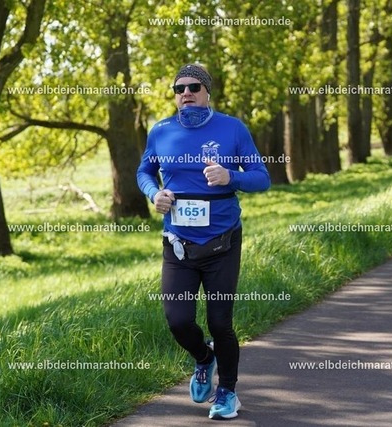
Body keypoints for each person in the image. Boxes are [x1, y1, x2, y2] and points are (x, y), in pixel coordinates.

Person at [137, 64, 271, 420]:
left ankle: (227, 392)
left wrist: (231, 177)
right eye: (179, 88)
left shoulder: (232, 128)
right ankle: (204, 357)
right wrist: (154, 194)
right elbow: (144, 171)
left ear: (207, 92)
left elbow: (262, 178)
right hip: (178, 243)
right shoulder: (161, 131)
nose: (186, 93)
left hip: (222, 242)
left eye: (194, 87)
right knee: (178, 320)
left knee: (220, 322)